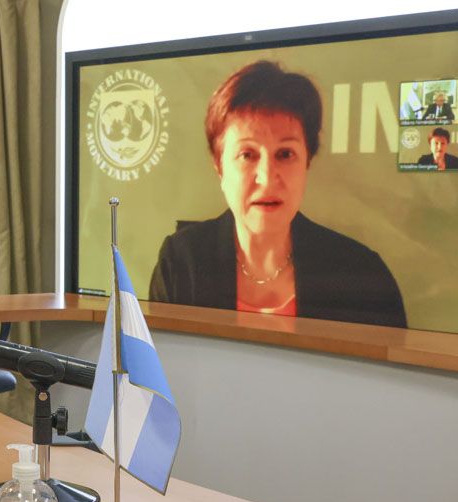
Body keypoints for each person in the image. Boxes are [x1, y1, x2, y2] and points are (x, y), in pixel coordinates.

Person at [149, 60, 406, 328]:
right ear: (219, 167)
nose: (267, 177)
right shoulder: (181, 263)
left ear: (307, 162)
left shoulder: (363, 277)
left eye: (285, 154)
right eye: (247, 154)